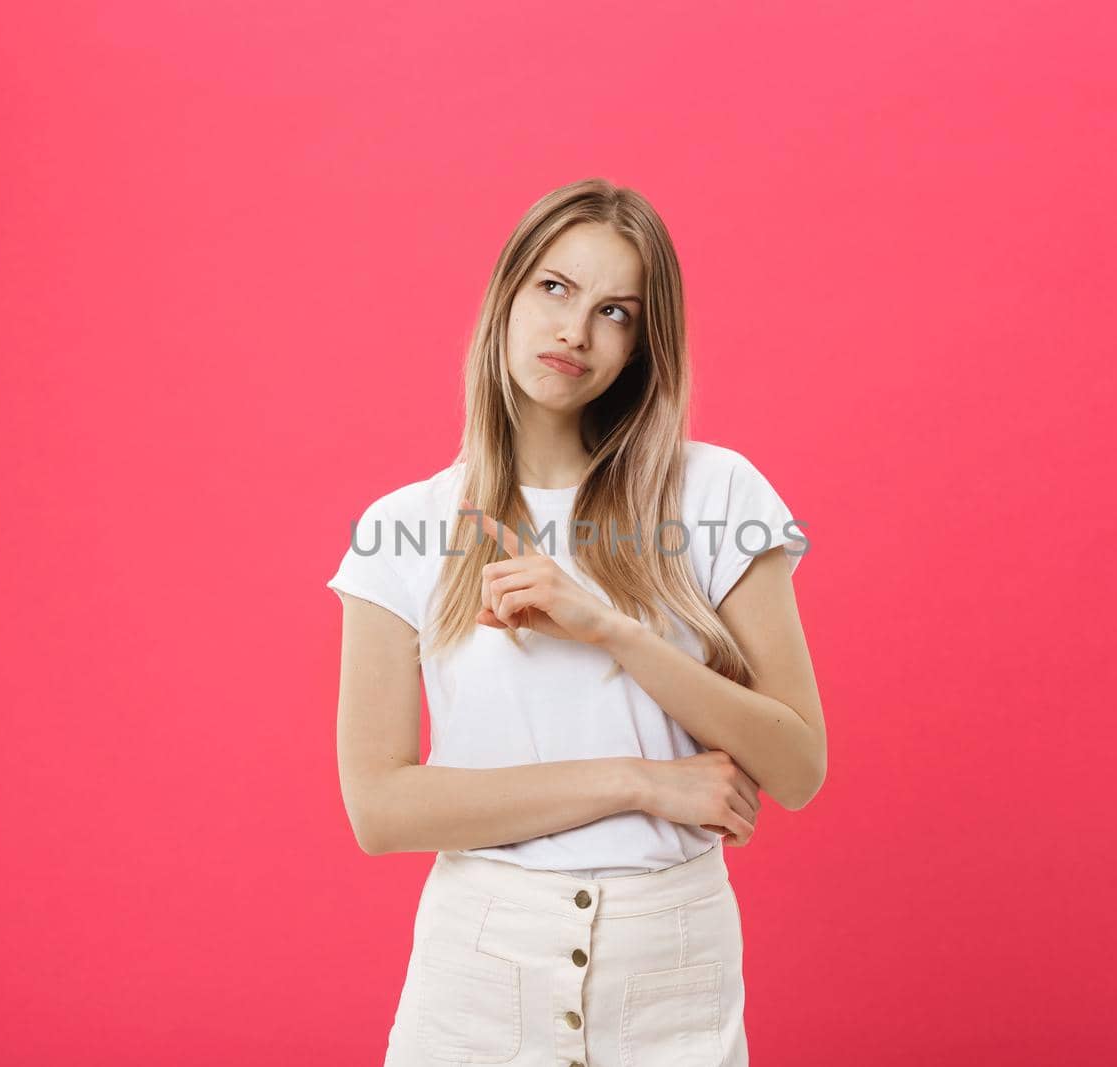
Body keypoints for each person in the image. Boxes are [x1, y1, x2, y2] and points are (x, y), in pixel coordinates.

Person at [327, 177, 826, 1067]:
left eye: (615, 311)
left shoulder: (716, 494)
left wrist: (610, 628)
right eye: (554, 288)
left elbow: (796, 766)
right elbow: (381, 807)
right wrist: (640, 780)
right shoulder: (401, 527)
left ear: (641, 345)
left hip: (672, 967)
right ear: (506, 295)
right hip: (478, 971)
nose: (575, 331)